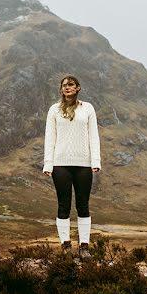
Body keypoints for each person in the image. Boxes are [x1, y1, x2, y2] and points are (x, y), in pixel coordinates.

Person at [42, 75, 101, 259]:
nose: (67, 88)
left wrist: (95, 161)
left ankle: (84, 247)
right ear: (61, 90)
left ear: (78, 88)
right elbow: (50, 138)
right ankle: (65, 246)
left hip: (83, 164)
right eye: (64, 85)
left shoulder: (88, 108)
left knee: (83, 205)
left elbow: (94, 136)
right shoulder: (54, 110)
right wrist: (48, 163)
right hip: (61, 165)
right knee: (63, 205)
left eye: (71, 85)